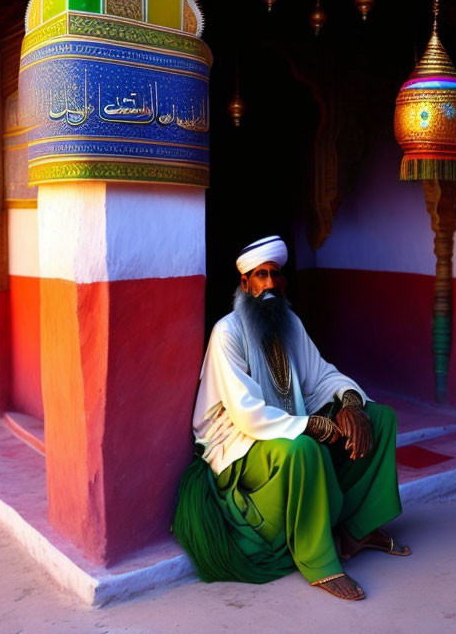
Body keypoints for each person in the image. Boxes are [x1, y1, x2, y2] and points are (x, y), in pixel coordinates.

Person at [173, 235, 409, 601]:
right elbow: (246, 413)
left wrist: (349, 402)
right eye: (261, 275)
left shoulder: (290, 324)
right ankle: (320, 563)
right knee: (303, 450)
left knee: (379, 417)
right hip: (237, 445)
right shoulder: (227, 332)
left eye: (276, 275)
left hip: (285, 426)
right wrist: (311, 425)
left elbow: (321, 375)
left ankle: (356, 531)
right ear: (245, 284)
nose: (270, 283)